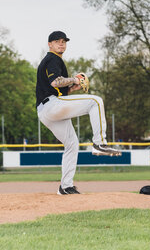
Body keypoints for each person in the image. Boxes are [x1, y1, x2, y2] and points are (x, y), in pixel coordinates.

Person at [36, 31, 120, 195]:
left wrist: (71, 88)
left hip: (47, 111)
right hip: (51, 105)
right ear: (50, 44)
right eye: (57, 41)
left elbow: (58, 87)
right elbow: (55, 81)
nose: (61, 44)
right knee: (95, 101)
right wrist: (74, 79)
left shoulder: (53, 61)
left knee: (72, 144)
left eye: (64, 41)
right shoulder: (53, 58)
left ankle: (65, 187)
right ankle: (99, 144)